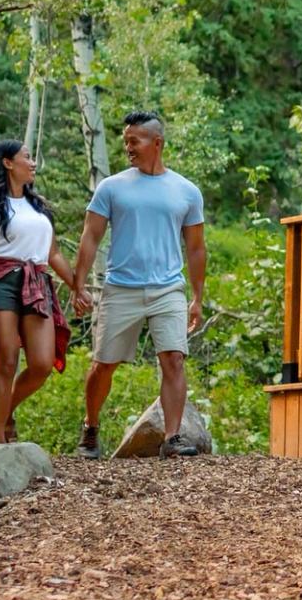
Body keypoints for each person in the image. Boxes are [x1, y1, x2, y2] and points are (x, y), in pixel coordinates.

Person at [71, 111, 208, 459]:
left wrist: (196, 297)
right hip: (121, 288)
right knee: (104, 364)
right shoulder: (112, 187)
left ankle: (172, 438)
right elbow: (91, 237)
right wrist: (79, 284)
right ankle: (90, 428)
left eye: (135, 141)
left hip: (167, 289)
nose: (128, 147)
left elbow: (195, 247)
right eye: (125, 141)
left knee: (174, 359)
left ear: (157, 143)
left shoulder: (186, 191)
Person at [0, 142, 74, 443]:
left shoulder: (39, 206)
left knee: (42, 364)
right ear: (8, 163)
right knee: (6, 358)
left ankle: (6, 411)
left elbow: (54, 254)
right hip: (1, 281)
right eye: (27, 157)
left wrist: (78, 287)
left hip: (37, 284)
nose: (33, 163)